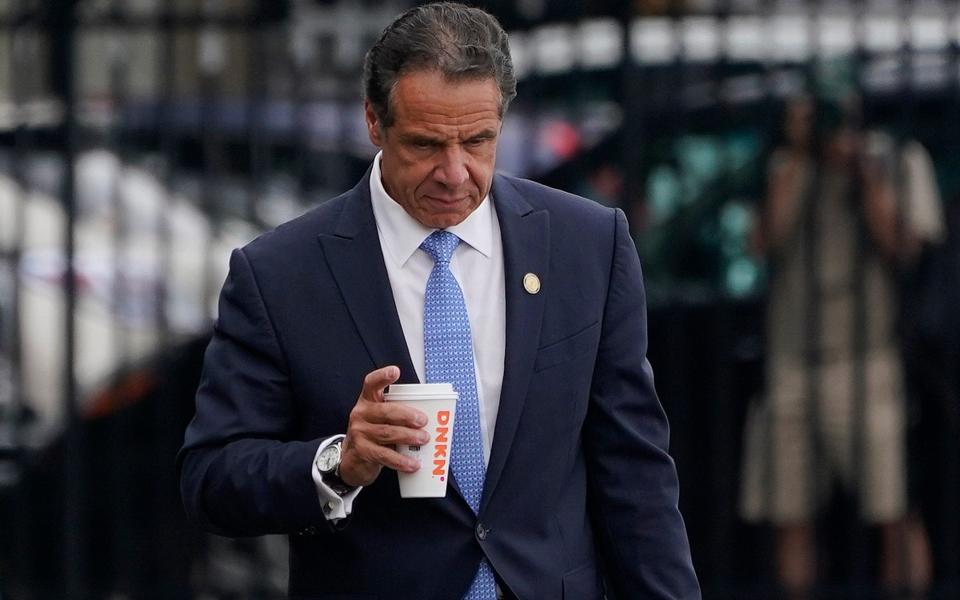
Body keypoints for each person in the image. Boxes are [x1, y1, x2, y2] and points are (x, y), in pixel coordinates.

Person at [178, 3, 699, 598]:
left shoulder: (586, 245)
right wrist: (337, 463)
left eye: (478, 141)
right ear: (374, 123)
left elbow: (635, 476)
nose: (456, 173)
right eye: (426, 145)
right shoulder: (280, 275)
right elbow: (211, 478)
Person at [739, 95, 931, 598]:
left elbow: (905, 247)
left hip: (869, 359)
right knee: (790, 514)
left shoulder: (895, 159)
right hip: (792, 362)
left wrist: (864, 171)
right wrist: (802, 155)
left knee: (894, 509)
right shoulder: (786, 166)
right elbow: (762, 241)